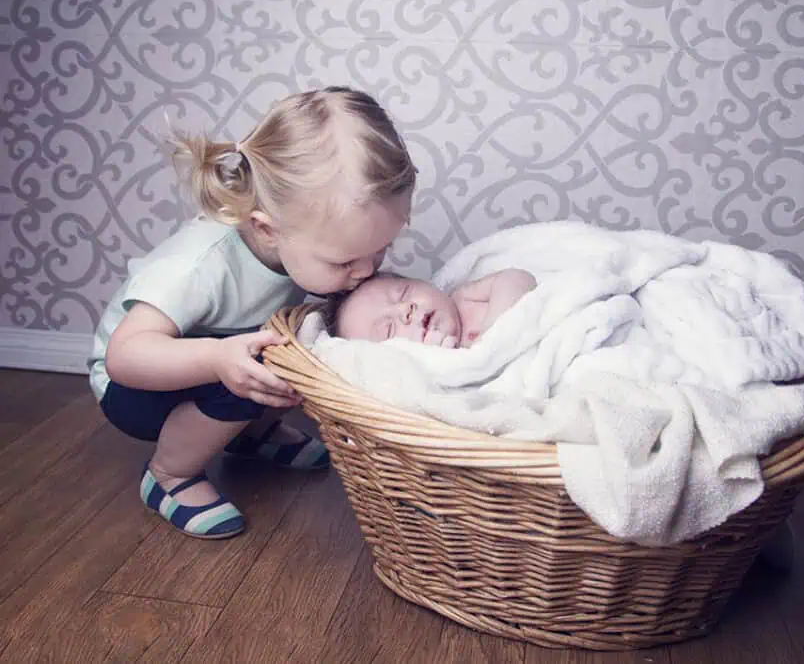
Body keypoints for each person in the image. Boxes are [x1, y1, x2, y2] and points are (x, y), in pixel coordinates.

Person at [86, 86, 415, 539]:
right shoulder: (199, 265)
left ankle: (247, 435)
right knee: (253, 360)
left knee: (293, 346)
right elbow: (124, 357)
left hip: (212, 358)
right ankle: (169, 475)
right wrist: (216, 359)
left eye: (380, 250)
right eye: (344, 262)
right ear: (267, 228)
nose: (366, 270)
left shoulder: (305, 242)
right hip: (134, 387)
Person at [332, 269, 537, 348]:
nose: (405, 310)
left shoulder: (465, 298)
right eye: (389, 329)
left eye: (404, 293)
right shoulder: (433, 380)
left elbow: (518, 279)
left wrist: (492, 337)